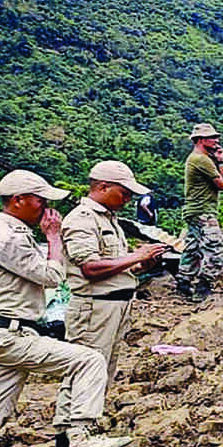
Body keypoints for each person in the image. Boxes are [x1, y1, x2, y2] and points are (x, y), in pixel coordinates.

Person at [0, 170, 124, 447]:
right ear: (18, 201)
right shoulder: (8, 237)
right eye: (40, 201)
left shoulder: (12, 231)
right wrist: (53, 238)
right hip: (9, 333)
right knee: (89, 360)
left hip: (16, 331)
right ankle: (79, 436)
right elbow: (51, 277)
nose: (46, 209)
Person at [60, 161, 168, 426]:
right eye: (124, 192)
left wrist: (144, 262)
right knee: (83, 371)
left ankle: (87, 427)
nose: (128, 198)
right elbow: (90, 267)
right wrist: (136, 256)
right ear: (103, 186)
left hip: (115, 306)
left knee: (103, 371)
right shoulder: (82, 219)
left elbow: (115, 265)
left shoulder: (110, 220)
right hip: (95, 309)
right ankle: (70, 437)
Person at [175, 123, 223, 301]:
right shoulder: (201, 159)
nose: (217, 140)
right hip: (203, 210)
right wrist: (219, 161)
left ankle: (183, 283)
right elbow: (222, 185)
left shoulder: (199, 158)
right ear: (200, 140)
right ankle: (203, 287)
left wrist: (219, 161)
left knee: (193, 247)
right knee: (216, 250)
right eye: (212, 137)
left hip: (194, 210)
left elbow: (221, 182)